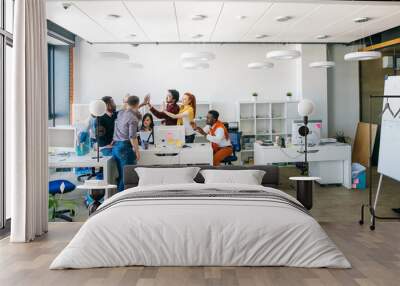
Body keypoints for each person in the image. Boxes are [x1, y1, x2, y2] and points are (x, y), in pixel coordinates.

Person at [112, 95, 141, 192]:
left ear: (127, 103)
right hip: (125, 148)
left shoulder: (120, 113)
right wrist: (137, 151)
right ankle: (122, 200)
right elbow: (132, 137)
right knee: (127, 178)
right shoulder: (133, 118)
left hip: (116, 147)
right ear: (137, 104)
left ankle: (117, 198)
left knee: (121, 176)